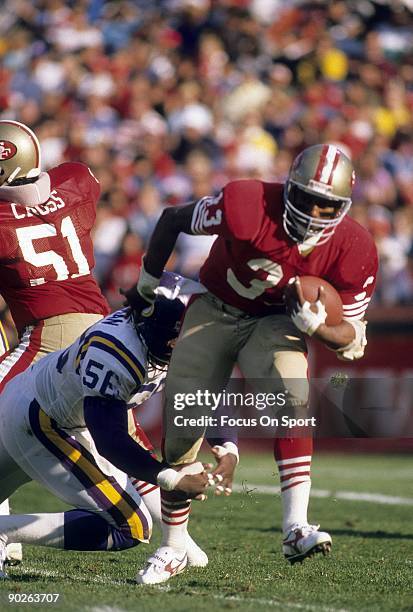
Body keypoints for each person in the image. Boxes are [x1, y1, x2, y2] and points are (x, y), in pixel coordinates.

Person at [124, 144, 379, 584]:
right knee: (184, 416)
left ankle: (295, 526)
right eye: (306, 198)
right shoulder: (246, 202)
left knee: (291, 393)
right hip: (217, 305)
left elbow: (351, 338)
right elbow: (171, 220)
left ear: (344, 207)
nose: (315, 212)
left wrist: (315, 326)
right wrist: (148, 282)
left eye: (327, 204)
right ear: (287, 188)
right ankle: (174, 545)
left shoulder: (354, 246)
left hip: (276, 319)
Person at [0, 295, 211, 580]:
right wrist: (170, 478)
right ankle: (4, 531)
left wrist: (227, 447)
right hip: (42, 421)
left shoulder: (164, 331)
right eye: (169, 340)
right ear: (146, 331)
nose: (176, 347)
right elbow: (110, 442)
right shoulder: (115, 353)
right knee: (132, 526)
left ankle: (179, 543)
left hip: (58, 412)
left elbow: (206, 392)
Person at [0, 119, 110, 563]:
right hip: (104, 327)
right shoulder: (75, 181)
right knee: (115, 437)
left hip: (49, 333)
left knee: (11, 421)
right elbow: (77, 181)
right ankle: (179, 540)